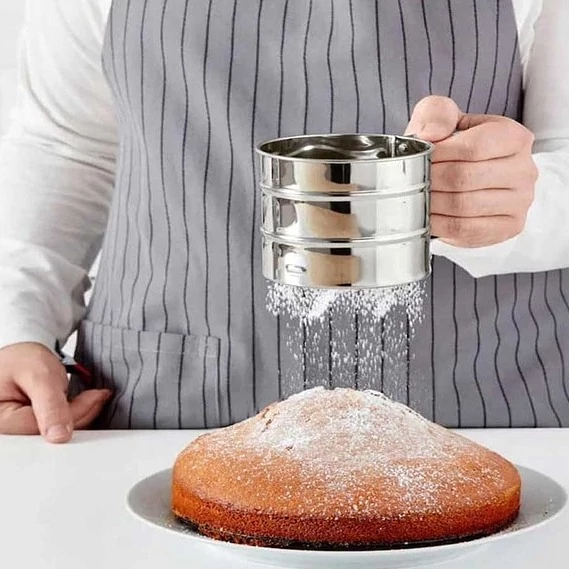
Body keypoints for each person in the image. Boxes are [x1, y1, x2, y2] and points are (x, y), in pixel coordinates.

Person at [0, 0, 568, 444]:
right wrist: (17, 324)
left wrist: (510, 201)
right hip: (162, 409)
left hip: (485, 405)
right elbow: (68, 146)